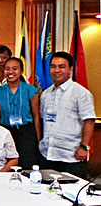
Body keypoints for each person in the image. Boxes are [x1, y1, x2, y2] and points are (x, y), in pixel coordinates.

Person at [39, 51, 95, 179]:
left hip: (71, 156)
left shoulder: (81, 93)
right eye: (53, 66)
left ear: (70, 69)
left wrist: (84, 146)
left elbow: (89, 121)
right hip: (47, 154)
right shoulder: (46, 94)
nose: (56, 70)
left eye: (61, 66)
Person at [0, 57, 40, 169]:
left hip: (26, 133)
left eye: (15, 68)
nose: (11, 72)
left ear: (21, 71)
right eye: (7, 69)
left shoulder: (30, 89)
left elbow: (36, 115)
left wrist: (37, 139)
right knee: (7, 165)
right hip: (5, 132)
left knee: (27, 165)